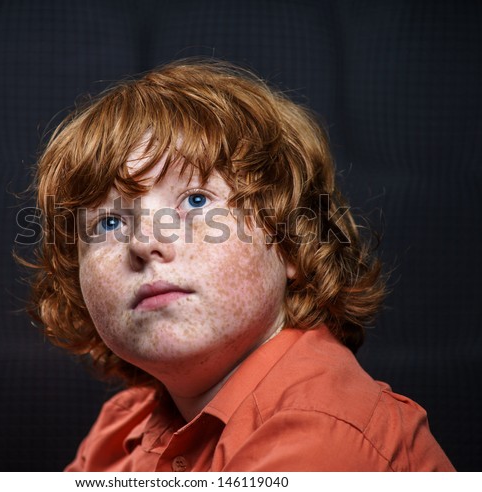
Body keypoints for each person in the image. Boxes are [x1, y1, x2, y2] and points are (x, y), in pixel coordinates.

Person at [26, 59, 455, 471]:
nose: (144, 242)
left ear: (289, 242)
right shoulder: (119, 427)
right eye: (109, 222)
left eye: (195, 200)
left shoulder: (324, 431)